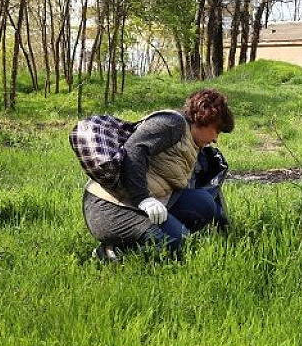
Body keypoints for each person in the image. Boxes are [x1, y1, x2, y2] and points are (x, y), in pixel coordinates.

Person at [83, 89, 235, 261]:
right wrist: (143, 199)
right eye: (217, 130)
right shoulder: (172, 124)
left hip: (145, 201)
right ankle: (111, 251)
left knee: (205, 204)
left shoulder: (194, 143)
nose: (216, 139)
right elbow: (134, 150)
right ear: (205, 118)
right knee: (177, 242)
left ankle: (167, 232)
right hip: (110, 208)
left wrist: (226, 230)